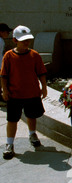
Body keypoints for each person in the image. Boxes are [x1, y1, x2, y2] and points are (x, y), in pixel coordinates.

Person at [2, 25, 47, 160]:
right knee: (12, 119)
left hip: (32, 93)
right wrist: (4, 90)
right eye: (23, 40)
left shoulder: (34, 55)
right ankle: (9, 143)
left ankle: (32, 134)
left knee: (31, 115)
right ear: (15, 40)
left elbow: (41, 73)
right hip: (15, 94)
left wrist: (44, 87)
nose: (26, 43)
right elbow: (3, 75)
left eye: (28, 40)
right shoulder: (9, 56)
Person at [0, 23, 13, 107]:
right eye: (7, 32)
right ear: (1, 32)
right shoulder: (0, 41)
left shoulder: (1, 40)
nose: (8, 34)